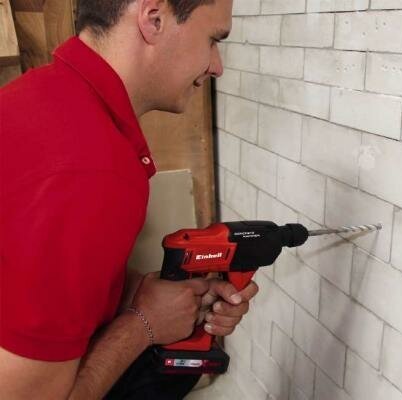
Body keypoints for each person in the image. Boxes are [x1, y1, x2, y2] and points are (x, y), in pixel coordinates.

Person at [0, 0, 258, 399]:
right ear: (154, 18)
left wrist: (140, 293)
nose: (217, 66)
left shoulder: (40, 95)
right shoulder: (90, 169)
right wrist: (144, 324)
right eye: (213, 40)